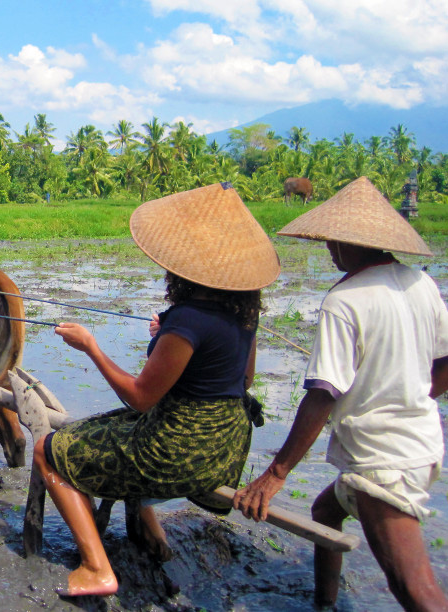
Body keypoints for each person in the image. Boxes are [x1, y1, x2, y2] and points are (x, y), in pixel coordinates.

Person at [34, 182, 281, 597]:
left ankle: (97, 567)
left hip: (175, 452)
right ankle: (152, 535)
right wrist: (164, 335)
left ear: (183, 264)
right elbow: (243, 381)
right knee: (117, 426)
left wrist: (91, 345)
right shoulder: (242, 310)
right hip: (224, 449)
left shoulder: (187, 319)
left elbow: (140, 396)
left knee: (47, 449)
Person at [232, 176, 448, 610]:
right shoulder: (419, 282)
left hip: (382, 459)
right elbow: (444, 363)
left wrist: (276, 474)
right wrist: (412, 397)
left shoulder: (344, 299)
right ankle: (325, 604)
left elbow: (322, 395)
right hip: (423, 446)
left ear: (355, 243)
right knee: (327, 511)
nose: (329, 249)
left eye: (333, 241)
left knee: (413, 586)